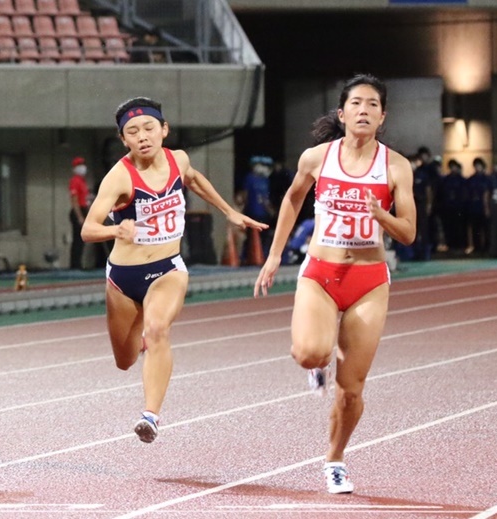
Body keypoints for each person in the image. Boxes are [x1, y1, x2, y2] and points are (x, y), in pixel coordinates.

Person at [253, 74, 415, 494]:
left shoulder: (396, 166)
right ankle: (319, 361)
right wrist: (273, 256)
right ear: (342, 114)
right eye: (356, 103)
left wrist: (383, 218)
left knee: (351, 390)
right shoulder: (316, 158)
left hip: (368, 281)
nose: (364, 110)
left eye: (373, 104)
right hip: (321, 274)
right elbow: (291, 198)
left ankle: (335, 460)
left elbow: (409, 232)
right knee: (309, 353)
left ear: (382, 117)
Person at [81, 97, 266, 443]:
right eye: (132, 132)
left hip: (168, 269)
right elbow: (88, 229)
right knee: (124, 360)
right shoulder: (119, 177)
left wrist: (228, 211)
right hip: (123, 279)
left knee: (157, 329)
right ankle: (141, 337)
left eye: (149, 128)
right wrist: (115, 230)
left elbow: (194, 180)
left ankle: (150, 416)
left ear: (164, 130)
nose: (143, 136)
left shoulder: (178, 159)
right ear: (124, 140)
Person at [68, 156, 89, 269]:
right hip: (78, 211)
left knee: (82, 240)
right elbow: (74, 200)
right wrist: (80, 216)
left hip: (84, 209)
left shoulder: (82, 181)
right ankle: (75, 265)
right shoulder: (75, 181)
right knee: (77, 239)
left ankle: (78, 263)